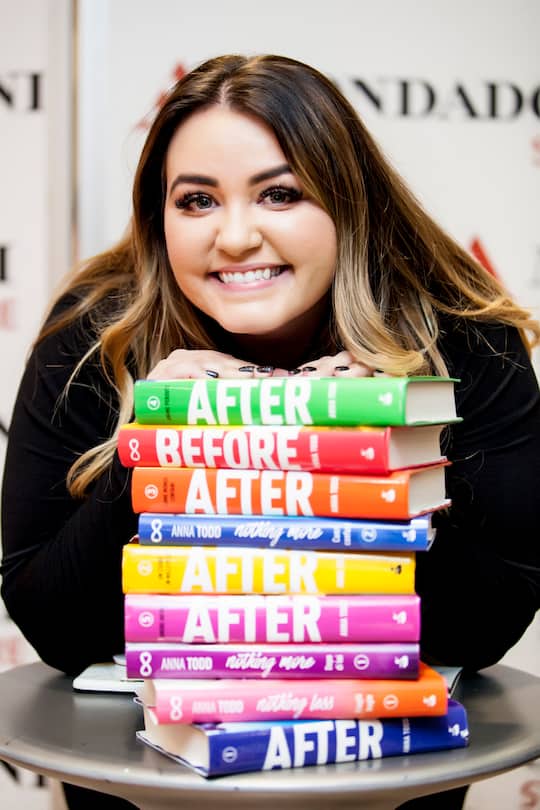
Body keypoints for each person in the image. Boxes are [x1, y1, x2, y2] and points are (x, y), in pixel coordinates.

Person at [1, 53, 539, 810]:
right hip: (144, 784)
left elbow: (489, 627)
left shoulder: (460, 336)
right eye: (196, 201)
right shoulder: (94, 338)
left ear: (350, 202)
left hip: (380, 785)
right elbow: (53, 628)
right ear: (160, 215)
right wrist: (154, 448)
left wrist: (371, 480)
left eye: (279, 194)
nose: (234, 236)